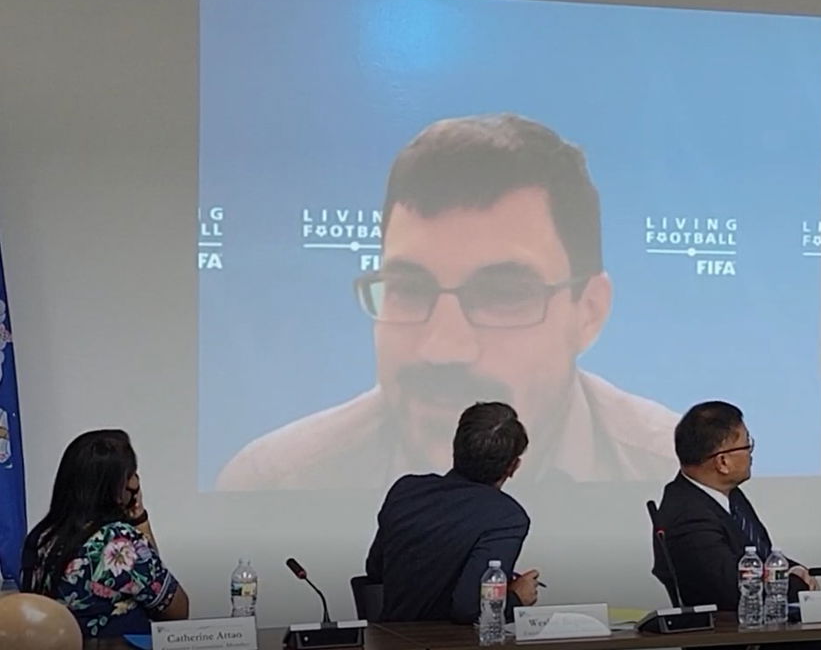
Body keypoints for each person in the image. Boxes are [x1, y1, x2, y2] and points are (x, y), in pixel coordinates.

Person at [218, 114, 679, 490]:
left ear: (589, 312)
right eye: (410, 289)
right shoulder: (276, 481)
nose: (443, 347)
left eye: (501, 295)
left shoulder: (672, 470)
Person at [651, 402, 821, 649]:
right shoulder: (688, 514)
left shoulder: (728, 496)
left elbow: (760, 556)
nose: (751, 453)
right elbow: (735, 589)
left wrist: (797, 569)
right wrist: (796, 585)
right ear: (722, 462)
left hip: (765, 631)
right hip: (739, 640)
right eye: (747, 445)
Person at [364, 402, 541, 623]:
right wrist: (517, 597)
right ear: (512, 467)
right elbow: (470, 610)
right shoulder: (507, 517)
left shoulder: (406, 490)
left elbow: (375, 570)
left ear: (456, 448)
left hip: (388, 640)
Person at [20, 430, 188, 638]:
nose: (136, 481)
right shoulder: (118, 543)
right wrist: (139, 519)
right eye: (132, 474)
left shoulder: (41, 537)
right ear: (119, 487)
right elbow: (176, 611)